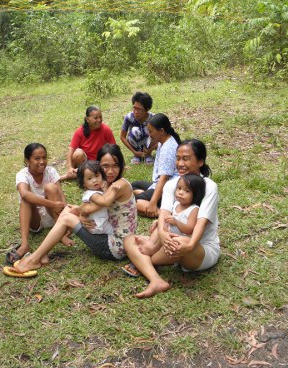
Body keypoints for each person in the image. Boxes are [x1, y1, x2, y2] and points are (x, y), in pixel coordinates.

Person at [5, 144, 137, 277]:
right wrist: (79, 212)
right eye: (105, 166)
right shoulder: (105, 184)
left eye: (115, 165)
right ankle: (42, 254)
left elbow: (94, 206)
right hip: (109, 236)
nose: (110, 171)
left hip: (114, 247)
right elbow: (90, 208)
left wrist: (81, 213)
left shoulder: (119, 185)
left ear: (121, 165)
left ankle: (34, 259)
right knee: (68, 211)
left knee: (67, 217)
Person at [123, 139, 220, 299]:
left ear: (200, 161)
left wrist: (189, 246)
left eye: (186, 158)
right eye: (178, 158)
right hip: (170, 242)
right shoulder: (172, 184)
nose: (180, 163)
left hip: (199, 248)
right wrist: (162, 234)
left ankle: (142, 262)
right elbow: (164, 215)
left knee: (179, 242)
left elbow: (200, 224)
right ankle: (156, 279)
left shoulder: (209, 186)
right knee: (129, 240)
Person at [6, 143, 68, 264]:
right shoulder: (22, 175)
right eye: (37, 158)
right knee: (26, 198)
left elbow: (60, 196)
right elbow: (24, 193)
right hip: (35, 219)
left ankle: (60, 232)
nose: (42, 161)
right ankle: (24, 244)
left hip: (53, 216)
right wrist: (52, 204)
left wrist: (66, 217)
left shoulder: (51, 172)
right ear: (27, 161)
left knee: (51, 187)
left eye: (44, 157)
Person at [132, 113, 180, 218]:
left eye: (151, 131)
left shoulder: (168, 148)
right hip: (159, 184)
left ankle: (163, 214)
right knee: (133, 186)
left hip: (167, 188)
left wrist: (152, 203)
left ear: (161, 131)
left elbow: (164, 179)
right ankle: (151, 198)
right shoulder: (162, 141)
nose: (149, 134)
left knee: (131, 202)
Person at [61, 106, 116, 180]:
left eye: (100, 117)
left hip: (99, 163)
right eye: (95, 118)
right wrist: (69, 167)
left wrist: (120, 164)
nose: (99, 120)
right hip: (84, 163)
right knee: (78, 153)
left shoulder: (106, 129)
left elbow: (114, 149)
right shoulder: (79, 131)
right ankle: (80, 173)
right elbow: (70, 150)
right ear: (87, 119)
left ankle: (74, 175)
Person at [76, 160, 113, 236]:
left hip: (99, 222)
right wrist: (106, 190)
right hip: (98, 224)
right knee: (115, 232)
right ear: (84, 184)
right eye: (89, 179)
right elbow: (104, 202)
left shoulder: (97, 191)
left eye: (96, 176)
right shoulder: (92, 194)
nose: (94, 180)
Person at [119, 92, 156, 165]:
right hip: (135, 143)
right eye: (134, 108)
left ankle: (148, 155)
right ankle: (137, 155)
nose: (136, 112)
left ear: (147, 109)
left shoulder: (153, 118)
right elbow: (122, 137)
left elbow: (162, 137)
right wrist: (134, 152)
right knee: (135, 130)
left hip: (148, 145)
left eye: (139, 109)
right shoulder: (129, 118)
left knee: (151, 132)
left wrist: (150, 150)